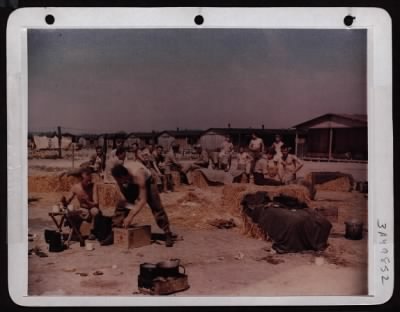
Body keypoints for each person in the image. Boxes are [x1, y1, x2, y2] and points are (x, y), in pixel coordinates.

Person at [100, 163, 174, 247]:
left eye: (122, 181)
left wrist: (130, 217)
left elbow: (143, 200)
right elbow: (120, 188)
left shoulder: (138, 175)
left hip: (148, 182)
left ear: (125, 176)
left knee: (156, 207)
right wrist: (125, 202)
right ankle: (114, 232)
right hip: (132, 182)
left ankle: (167, 233)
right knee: (121, 205)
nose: (122, 183)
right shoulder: (120, 175)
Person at [60, 167, 101, 240]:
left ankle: (92, 232)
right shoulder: (76, 187)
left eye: (90, 180)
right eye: (87, 181)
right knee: (71, 213)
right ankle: (75, 232)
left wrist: (87, 201)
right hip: (82, 210)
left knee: (95, 211)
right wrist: (64, 201)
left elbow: (96, 204)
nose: (89, 183)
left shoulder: (93, 186)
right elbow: (67, 202)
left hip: (91, 208)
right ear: (81, 180)